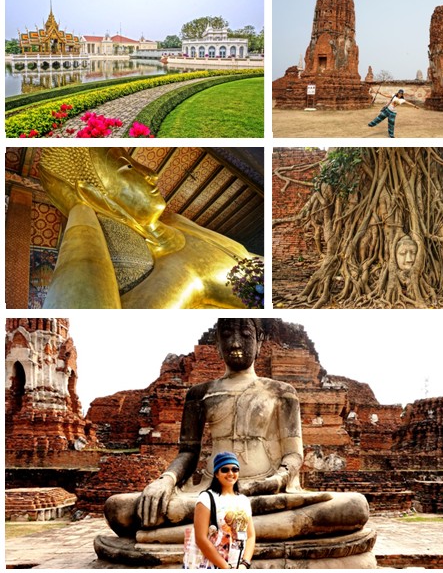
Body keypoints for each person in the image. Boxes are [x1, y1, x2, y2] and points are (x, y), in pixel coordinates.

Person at [104, 318, 369, 543]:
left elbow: (293, 455)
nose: (235, 343)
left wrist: (274, 482)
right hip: (210, 492)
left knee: (354, 506)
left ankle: (173, 536)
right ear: (216, 344)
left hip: (268, 492)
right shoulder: (200, 393)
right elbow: (188, 452)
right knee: (120, 508)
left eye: (245, 334)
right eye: (227, 335)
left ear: (260, 341)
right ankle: (252, 530)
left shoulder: (281, 392)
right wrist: (165, 481)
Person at [37, 148, 259, 309]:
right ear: (93, 194)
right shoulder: (176, 278)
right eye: (128, 167)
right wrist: (80, 210)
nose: (151, 173)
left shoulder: (177, 220)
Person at [193, 452, 255, 569]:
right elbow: (200, 538)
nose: (231, 473)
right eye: (225, 470)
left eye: (235, 469)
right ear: (216, 473)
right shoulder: (206, 498)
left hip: (239, 565)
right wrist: (226, 567)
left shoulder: (244, 500)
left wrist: (244, 564)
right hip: (214, 565)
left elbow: (251, 535)